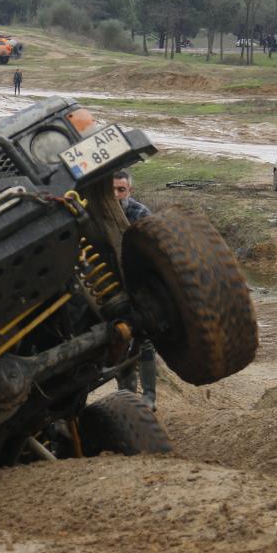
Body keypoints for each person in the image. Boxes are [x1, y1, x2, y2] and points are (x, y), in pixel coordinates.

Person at [113, 170, 155, 407]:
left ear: (130, 190)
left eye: (121, 190)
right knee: (118, 342)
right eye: (112, 190)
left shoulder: (140, 214)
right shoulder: (93, 214)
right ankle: (127, 397)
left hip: (139, 286)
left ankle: (149, 396)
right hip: (110, 288)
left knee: (144, 340)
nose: (116, 194)